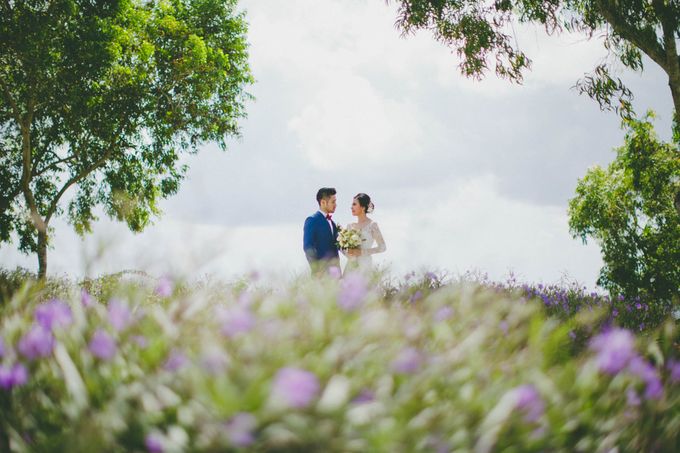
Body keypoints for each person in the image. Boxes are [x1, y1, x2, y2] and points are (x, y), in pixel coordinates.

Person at [343, 193, 386, 274]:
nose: (351, 207)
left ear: (362, 207)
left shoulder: (372, 225)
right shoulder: (350, 226)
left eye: (354, 204)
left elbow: (382, 247)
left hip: (365, 266)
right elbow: (345, 249)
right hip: (351, 265)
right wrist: (348, 252)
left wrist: (362, 252)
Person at [303, 188, 340, 275]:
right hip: (321, 274)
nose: (336, 205)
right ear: (323, 202)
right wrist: (316, 269)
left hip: (335, 274)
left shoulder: (333, 223)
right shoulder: (312, 220)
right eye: (333, 202)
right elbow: (308, 246)